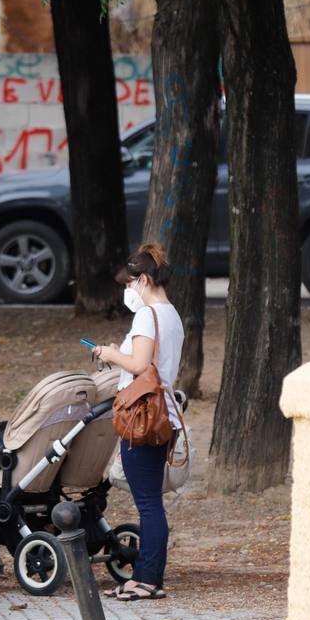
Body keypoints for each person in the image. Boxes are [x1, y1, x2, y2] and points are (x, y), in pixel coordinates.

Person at [92, 243, 184, 601]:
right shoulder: (171, 314)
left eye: (130, 284)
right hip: (162, 414)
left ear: (143, 279)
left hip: (143, 416)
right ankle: (148, 575)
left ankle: (147, 578)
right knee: (149, 501)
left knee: (148, 504)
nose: (128, 291)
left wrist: (112, 354)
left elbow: (141, 366)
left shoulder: (148, 315)